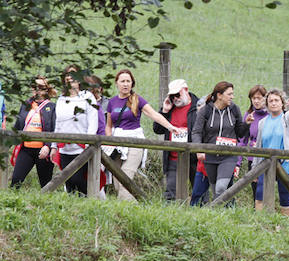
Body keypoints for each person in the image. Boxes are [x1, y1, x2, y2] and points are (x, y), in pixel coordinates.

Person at [105, 69, 184, 201]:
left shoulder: (137, 100)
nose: (125, 84)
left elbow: (154, 114)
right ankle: (135, 208)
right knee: (118, 185)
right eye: (122, 81)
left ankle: (128, 213)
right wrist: (109, 141)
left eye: (128, 81)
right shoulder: (112, 102)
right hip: (117, 144)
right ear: (117, 84)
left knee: (125, 180)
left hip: (135, 142)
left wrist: (170, 127)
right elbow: (109, 125)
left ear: (132, 84)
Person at [192, 81, 250, 201]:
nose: (232, 97)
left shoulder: (234, 109)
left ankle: (216, 212)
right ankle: (220, 216)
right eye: (229, 94)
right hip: (210, 156)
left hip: (229, 156)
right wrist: (199, 150)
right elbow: (196, 132)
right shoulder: (205, 111)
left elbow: (240, 133)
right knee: (215, 190)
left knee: (221, 188)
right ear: (219, 95)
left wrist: (247, 124)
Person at [49, 67, 99, 195]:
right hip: (65, 148)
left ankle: (88, 204)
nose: (70, 77)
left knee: (79, 180)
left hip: (82, 147)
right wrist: (54, 146)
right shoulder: (61, 99)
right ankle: (73, 211)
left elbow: (93, 122)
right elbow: (58, 123)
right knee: (69, 181)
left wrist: (89, 143)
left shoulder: (88, 97)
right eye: (67, 74)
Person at [253, 88, 289, 215]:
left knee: (284, 194)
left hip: (286, 163)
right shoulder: (262, 122)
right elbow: (259, 145)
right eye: (271, 101)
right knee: (260, 192)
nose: (273, 103)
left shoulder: (287, 118)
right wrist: (255, 167)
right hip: (266, 162)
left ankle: (286, 223)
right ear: (267, 104)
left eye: (276, 100)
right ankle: (261, 220)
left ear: (282, 103)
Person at [152, 78, 200, 201]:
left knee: (199, 193)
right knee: (171, 194)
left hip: (194, 157)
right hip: (173, 157)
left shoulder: (199, 107)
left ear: (186, 90)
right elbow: (157, 129)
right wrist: (164, 111)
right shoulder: (170, 107)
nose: (175, 99)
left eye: (177, 94)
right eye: (172, 96)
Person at [11, 77, 57, 189]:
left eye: (41, 87)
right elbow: (18, 125)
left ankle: (46, 205)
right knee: (16, 180)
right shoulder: (26, 104)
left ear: (46, 90)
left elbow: (54, 129)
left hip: (43, 150)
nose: (37, 90)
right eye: (34, 87)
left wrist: (48, 146)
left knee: (45, 184)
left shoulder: (51, 107)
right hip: (26, 148)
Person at [239, 85, 268, 200]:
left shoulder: (271, 115)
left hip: (268, 158)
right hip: (252, 159)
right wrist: (238, 162)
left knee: (265, 190)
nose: (256, 101)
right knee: (255, 191)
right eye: (253, 98)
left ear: (265, 99)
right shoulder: (249, 115)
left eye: (259, 98)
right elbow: (242, 140)